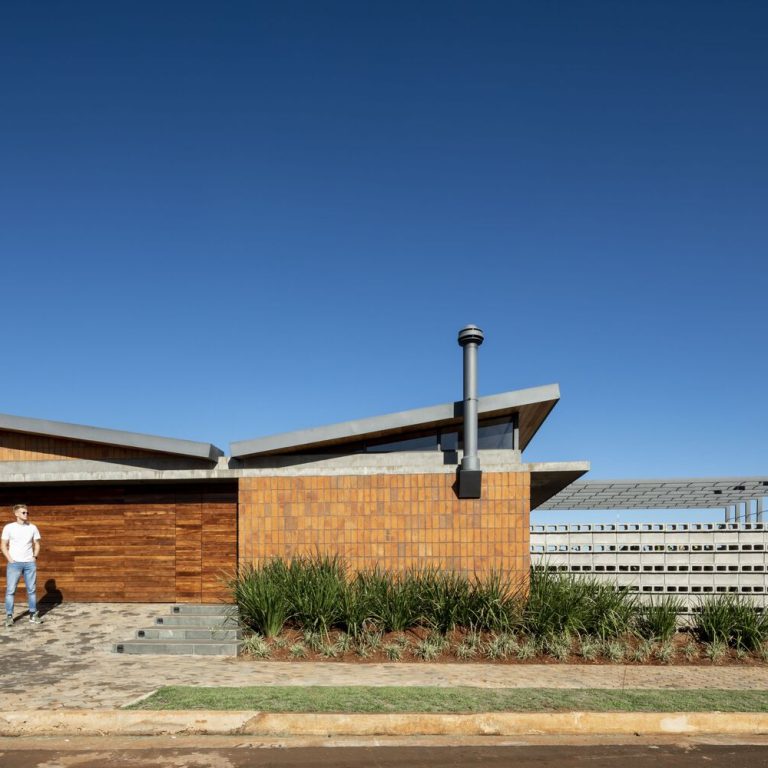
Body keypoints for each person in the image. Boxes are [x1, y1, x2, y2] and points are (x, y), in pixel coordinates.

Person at [2, 504, 42, 627]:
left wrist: (34, 557)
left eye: (27, 512)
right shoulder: (9, 527)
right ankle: (9, 616)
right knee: (10, 590)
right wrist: (10, 559)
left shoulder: (32, 527)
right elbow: (3, 545)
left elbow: (37, 543)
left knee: (32, 590)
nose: (26, 514)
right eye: (23, 512)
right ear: (16, 514)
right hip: (14, 564)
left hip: (29, 563)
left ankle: (33, 615)